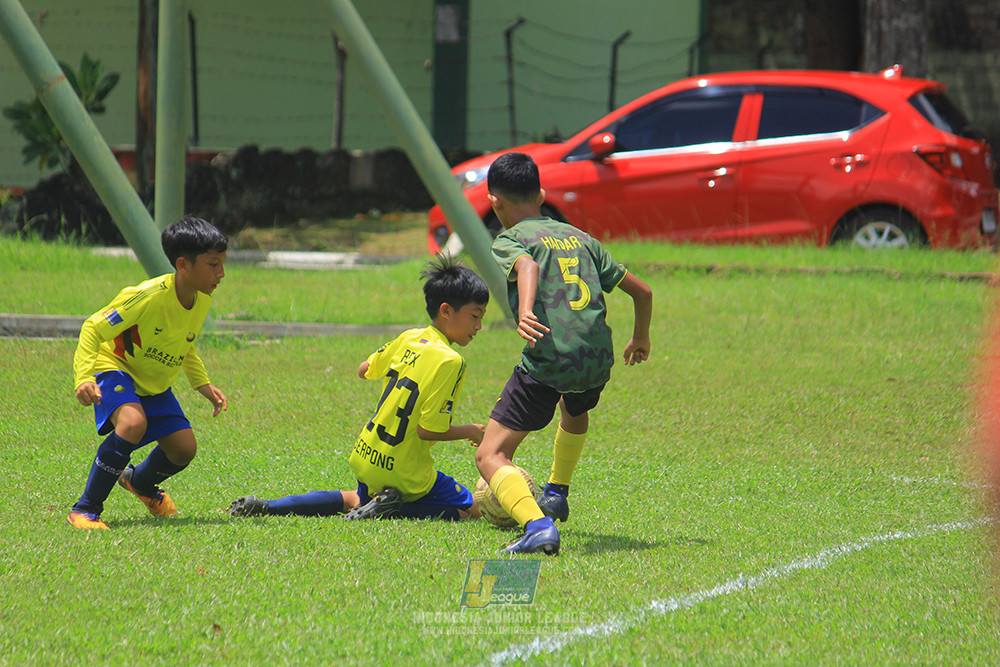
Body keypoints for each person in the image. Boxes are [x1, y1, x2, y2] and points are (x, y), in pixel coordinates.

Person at [474, 151, 653, 555]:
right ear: (541, 193)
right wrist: (640, 337)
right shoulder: (582, 238)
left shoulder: (511, 238)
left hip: (551, 356)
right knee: (574, 407)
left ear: (495, 202)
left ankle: (537, 525)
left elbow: (528, 269)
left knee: (491, 453)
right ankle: (556, 490)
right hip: (596, 359)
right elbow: (643, 291)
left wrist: (523, 310)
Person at [229, 254, 489, 521]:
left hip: (366, 455)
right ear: (446, 311)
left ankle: (269, 506)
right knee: (473, 511)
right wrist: (472, 430)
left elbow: (364, 369)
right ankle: (392, 508)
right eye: (475, 316)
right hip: (404, 472)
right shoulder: (452, 361)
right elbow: (429, 430)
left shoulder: (410, 337)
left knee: (353, 498)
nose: (479, 326)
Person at [67, 216, 229, 529]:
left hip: (153, 381)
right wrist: (84, 377)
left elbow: (186, 344)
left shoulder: (201, 300)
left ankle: (138, 482)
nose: (221, 273)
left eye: (222, 263)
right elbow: (92, 327)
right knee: (132, 423)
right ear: (183, 265)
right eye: (213, 264)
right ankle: (85, 509)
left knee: (184, 449)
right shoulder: (147, 296)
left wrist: (203, 385)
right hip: (114, 367)